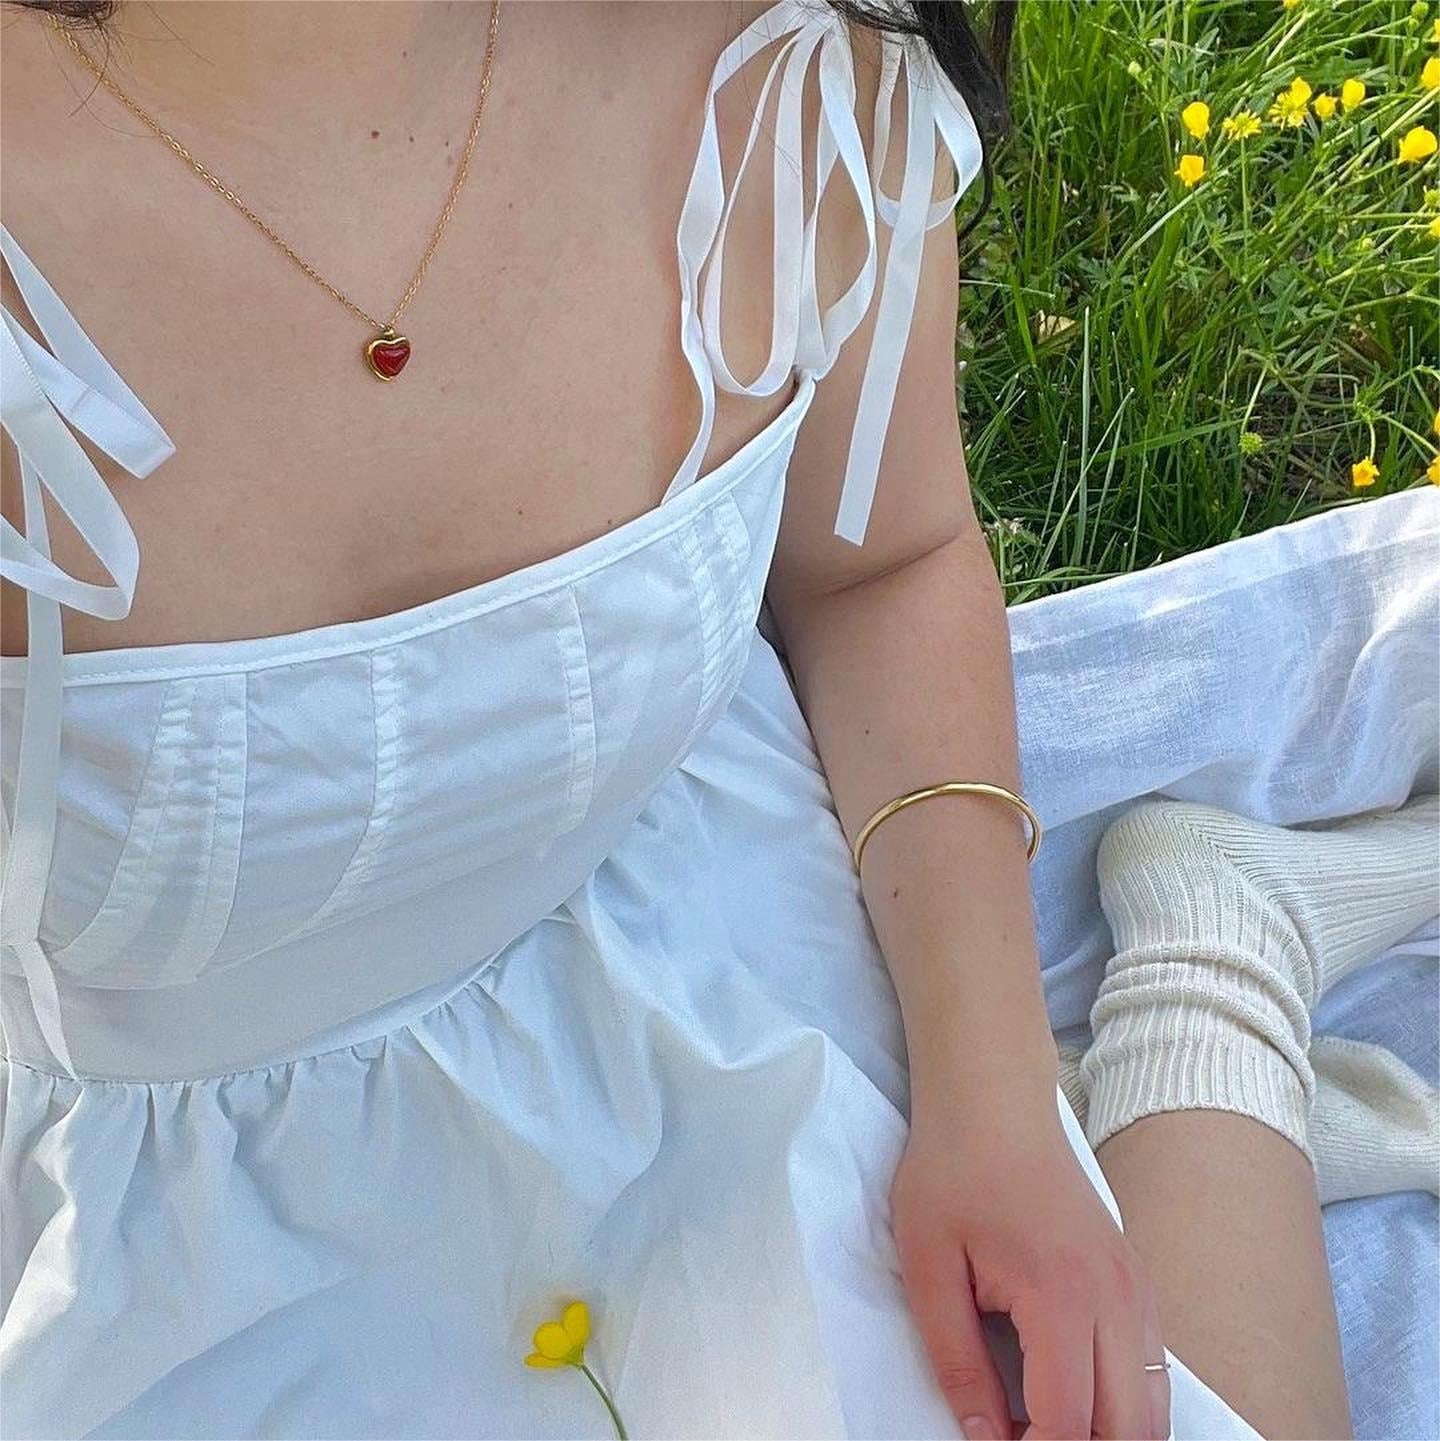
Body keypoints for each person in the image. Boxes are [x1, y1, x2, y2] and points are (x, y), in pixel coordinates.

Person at [0, 2, 1413, 1437]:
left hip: (702, 983)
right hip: (128, 1233)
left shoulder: (784, 55)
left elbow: (880, 566)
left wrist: (989, 1091)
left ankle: (1212, 953)